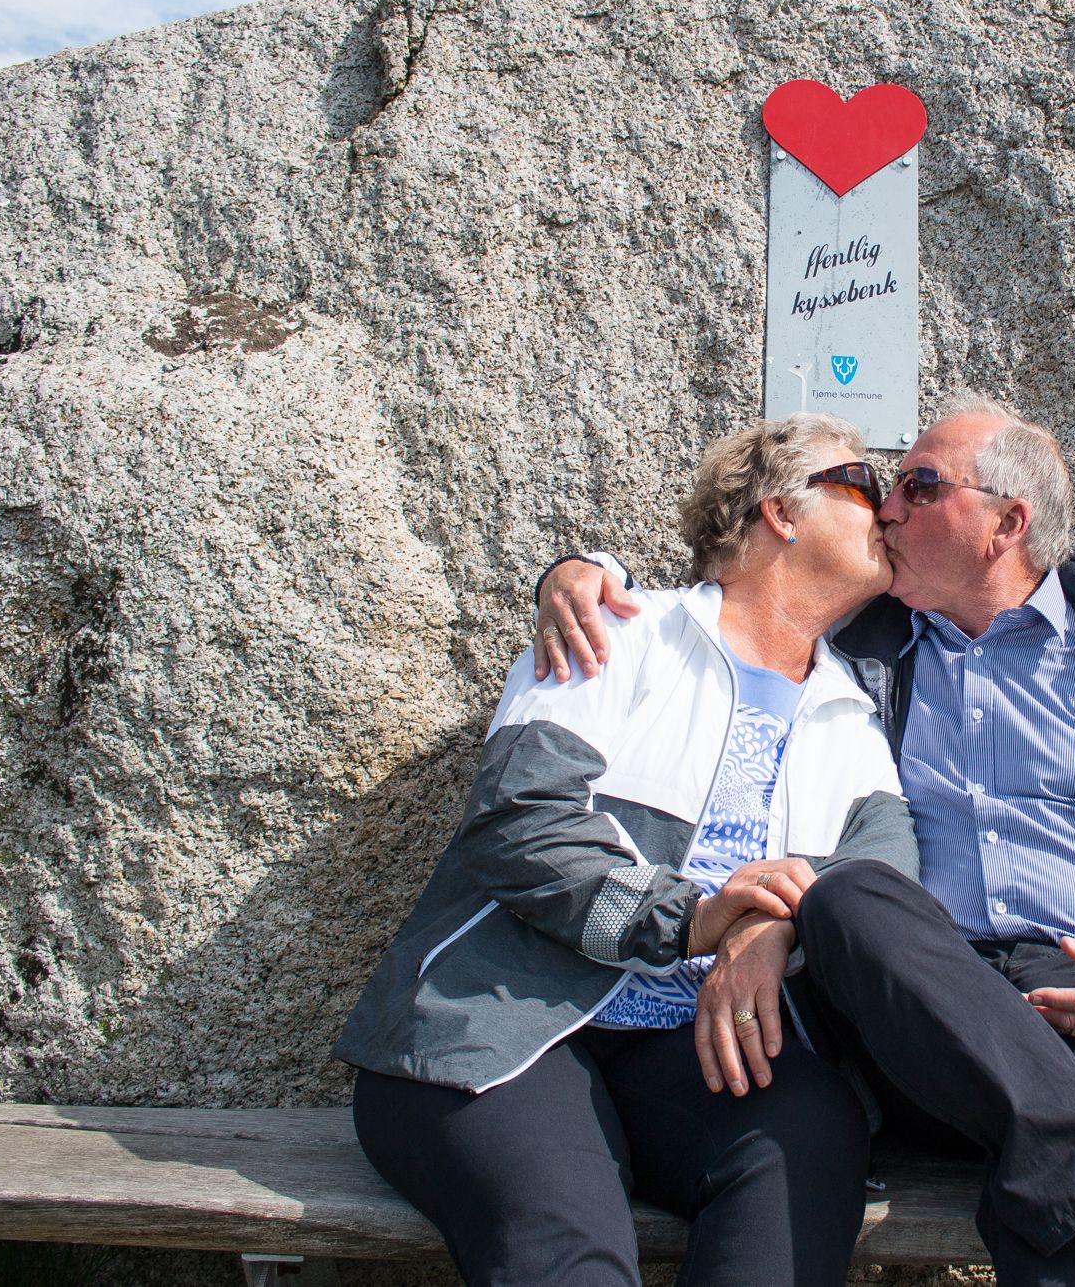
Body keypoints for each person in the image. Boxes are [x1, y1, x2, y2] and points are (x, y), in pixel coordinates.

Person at [533, 393, 1075, 1287]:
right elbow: (729, 595)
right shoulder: (857, 649)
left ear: (1006, 523)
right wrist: (578, 569)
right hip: (917, 1011)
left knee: (1058, 1176)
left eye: (918, 484)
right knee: (852, 892)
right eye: (880, 485)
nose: (888, 507)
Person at [335, 412, 918, 1287]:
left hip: (698, 1049)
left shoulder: (848, 712)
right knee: (570, 1252)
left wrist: (772, 929)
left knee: (812, 1130)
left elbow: (886, 873)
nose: (888, 508)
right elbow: (518, 820)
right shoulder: (618, 629)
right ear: (780, 511)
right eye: (864, 484)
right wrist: (692, 919)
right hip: (507, 1026)